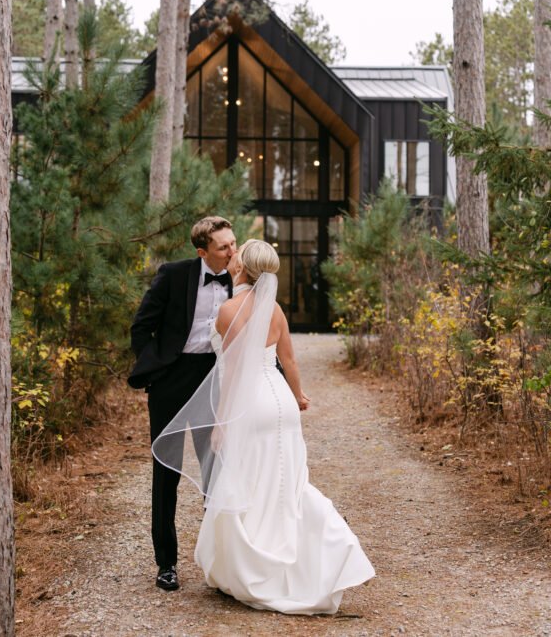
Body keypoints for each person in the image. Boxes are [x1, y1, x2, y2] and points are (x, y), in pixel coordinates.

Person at [152, 239, 375, 615]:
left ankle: (253, 565)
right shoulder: (276, 310)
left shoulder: (229, 310)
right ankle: (319, 550)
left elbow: (236, 371)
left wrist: (221, 421)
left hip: (250, 405)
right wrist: (299, 396)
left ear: (242, 268)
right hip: (281, 405)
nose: (232, 254)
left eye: (238, 252)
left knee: (248, 479)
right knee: (286, 482)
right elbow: (289, 361)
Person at [128, 216, 237, 592]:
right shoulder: (174, 275)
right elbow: (141, 327)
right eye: (224, 247)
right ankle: (167, 564)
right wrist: (156, 371)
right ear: (202, 252)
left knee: (216, 473)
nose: (232, 251)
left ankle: (220, 562)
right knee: (166, 472)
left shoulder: (242, 280)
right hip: (171, 383)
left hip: (213, 382)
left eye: (233, 243)